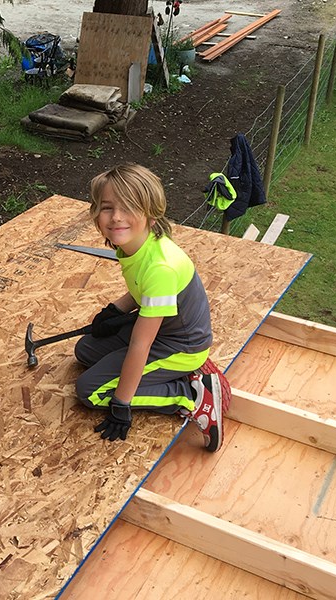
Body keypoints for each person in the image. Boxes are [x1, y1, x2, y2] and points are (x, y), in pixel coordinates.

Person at [74, 164, 225, 451]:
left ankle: (189, 396)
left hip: (180, 346)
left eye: (129, 207)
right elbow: (140, 289)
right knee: (85, 351)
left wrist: (122, 403)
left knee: (90, 391)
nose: (116, 217)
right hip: (161, 328)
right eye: (107, 207)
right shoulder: (135, 244)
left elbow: (140, 346)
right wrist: (116, 311)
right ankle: (166, 379)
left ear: (150, 214)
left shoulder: (160, 267)